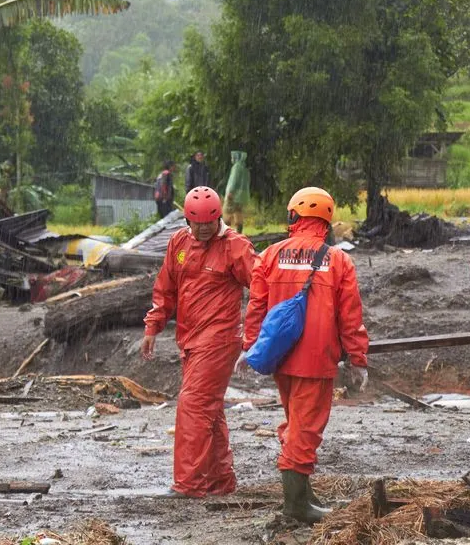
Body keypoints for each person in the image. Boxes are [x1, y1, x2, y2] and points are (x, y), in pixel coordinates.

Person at [238, 187, 368, 523]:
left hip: (282, 359)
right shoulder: (339, 260)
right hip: (316, 360)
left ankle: (303, 495)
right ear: (326, 220)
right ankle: (296, 508)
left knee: (296, 423)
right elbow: (350, 317)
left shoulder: (269, 255)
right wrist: (357, 359)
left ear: (293, 216)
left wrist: (251, 346)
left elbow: (256, 307)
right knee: (305, 430)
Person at [141, 186, 258, 497]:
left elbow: (263, 288)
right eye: (198, 223)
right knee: (210, 409)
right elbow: (165, 288)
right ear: (187, 220)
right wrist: (153, 326)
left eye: (210, 222)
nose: (204, 228)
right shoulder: (178, 242)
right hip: (190, 340)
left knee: (192, 405)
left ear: (218, 217)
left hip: (219, 339)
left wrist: (255, 334)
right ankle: (220, 481)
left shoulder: (236, 247)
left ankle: (189, 484)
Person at [224, 150, 251, 234]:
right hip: (242, 196)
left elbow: (233, 180)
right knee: (238, 213)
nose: (232, 159)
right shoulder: (245, 168)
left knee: (227, 212)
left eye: (233, 157)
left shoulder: (236, 167)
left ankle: (225, 232)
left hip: (234, 195)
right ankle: (239, 232)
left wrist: (230, 192)